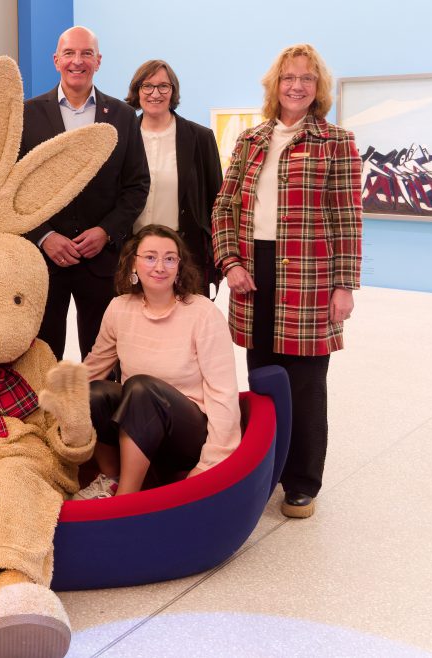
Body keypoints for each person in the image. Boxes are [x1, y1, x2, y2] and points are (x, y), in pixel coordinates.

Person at [211, 44, 362, 518]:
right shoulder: (250, 140)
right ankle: (265, 470)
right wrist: (229, 262)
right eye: (288, 77)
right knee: (262, 380)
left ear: (319, 89)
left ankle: (301, 481)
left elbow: (346, 217)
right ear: (274, 86)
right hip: (254, 273)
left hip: (311, 275)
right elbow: (223, 207)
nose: (296, 85)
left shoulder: (336, 141)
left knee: (306, 385)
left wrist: (344, 284)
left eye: (307, 79)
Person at [76, 225, 241, 499]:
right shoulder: (119, 308)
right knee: (91, 392)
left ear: (179, 265)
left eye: (169, 258)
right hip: (136, 426)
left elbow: (223, 392)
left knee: (141, 388)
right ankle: (113, 478)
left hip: (187, 433)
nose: (160, 267)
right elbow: (93, 368)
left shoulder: (202, 312)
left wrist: (209, 463)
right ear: (133, 263)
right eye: (150, 257)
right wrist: (50, 400)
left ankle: (125, 499)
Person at [20, 25, 150, 361]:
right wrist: (44, 235)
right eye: (70, 53)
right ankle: (46, 416)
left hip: (103, 260)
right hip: (44, 259)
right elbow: (14, 188)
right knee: (42, 356)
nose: (77, 61)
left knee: (103, 356)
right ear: (56, 60)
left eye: (86, 53)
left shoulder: (122, 116)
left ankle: (98, 416)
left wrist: (106, 231)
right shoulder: (27, 115)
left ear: (99, 60)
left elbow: (137, 185)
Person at [125, 59, 223, 294]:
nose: (155, 93)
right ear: (137, 91)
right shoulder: (123, 137)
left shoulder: (200, 138)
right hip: (131, 253)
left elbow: (217, 202)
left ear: (173, 91)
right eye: (147, 86)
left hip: (184, 253)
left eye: (163, 87)